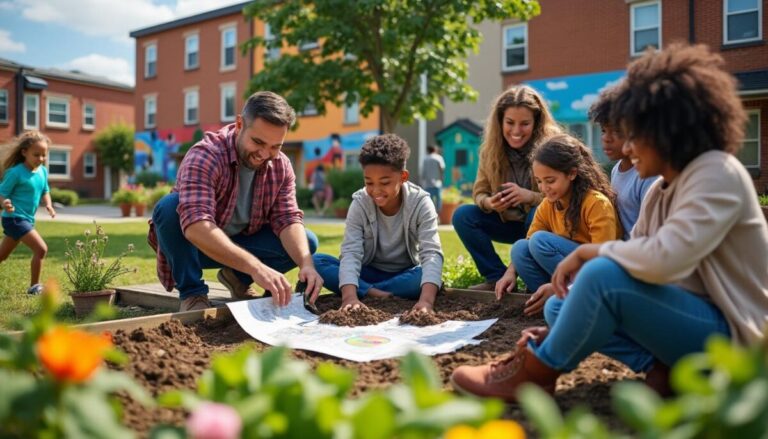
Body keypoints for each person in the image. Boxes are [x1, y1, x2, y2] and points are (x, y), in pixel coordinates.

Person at [450, 44, 768, 402]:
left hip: (736, 340)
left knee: (601, 274)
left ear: (666, 131)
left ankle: (536, 372)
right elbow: (638, 259)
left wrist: (588, 253)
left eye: (633, 136)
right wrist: (574, 292)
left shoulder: (716, 173)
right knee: (558, 306)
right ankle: (662, 369)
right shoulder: (662, 190)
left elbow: (665, 260)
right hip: (691, 324)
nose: (626, 149)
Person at [148, 91, 323, 312]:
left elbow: (287, 218)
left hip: (241, 242)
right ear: (240, 124)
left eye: (275, 146)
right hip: (192, 247)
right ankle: (193, 293)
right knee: (168, 207)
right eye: (258, 142)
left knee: (307, 242)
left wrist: (306, 265)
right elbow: (196, 225)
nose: (264, 154)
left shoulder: (281, 165)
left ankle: (237, 278)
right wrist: (256, 267)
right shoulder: (206, 155)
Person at [312, 134, 444, 314]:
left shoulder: (421, 203)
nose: (376, 190)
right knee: (316, 261)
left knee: (424, 276)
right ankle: (374, 292)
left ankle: (368, 291)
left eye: (385, 183)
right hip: (367, 272)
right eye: (369, 182)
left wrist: (426, 301)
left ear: (403, 176)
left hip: (404, 275)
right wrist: (349, 297)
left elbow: (431, 253)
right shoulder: (360, 203)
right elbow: (350, 252)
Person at [495, 134, 621, 316]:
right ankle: (548, 302)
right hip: (567, 274)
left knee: (539, 241)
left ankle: (571, 297)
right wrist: (510, 273)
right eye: (539, 181)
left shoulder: (596, 203)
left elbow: (602, 260)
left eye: (550, 181)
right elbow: (528, 240)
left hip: (597, 275)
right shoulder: (548, 205)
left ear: (572, 173)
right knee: (520, 248)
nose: (543, 188)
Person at [452, 85, 561, 291]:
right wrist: (489, 203)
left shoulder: (553, 147)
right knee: (463, 215)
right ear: (500, 121)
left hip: (544, 227)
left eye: (525, 124)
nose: (516, 131)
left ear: (537, 123)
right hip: (506, 223)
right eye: (510, 123)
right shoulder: (490, 151)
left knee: (539, 210)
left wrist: (529, 196)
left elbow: (563, 196)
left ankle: (533, 276)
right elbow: (479, 192)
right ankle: (496, 277)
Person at [589, 87, 657, 240]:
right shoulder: (616, 169)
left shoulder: (648, 176)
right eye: (603, 130)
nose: (606, 138)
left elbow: (651, 232)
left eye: (617, 132)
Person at [0, 130, 56, 295]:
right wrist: (5, 203)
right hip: (14, 218)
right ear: (24, 152)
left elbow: (45, 190)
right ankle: (34, 287)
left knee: (2, 256)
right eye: (36, 155)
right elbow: (2, 193)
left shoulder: (42, 171)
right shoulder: (15, 172)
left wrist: (49, 204)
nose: (40, 159)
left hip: (27, 220)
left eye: (44, 155)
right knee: (41, 249)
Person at [421, 145, 445, 212]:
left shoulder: (425, 159)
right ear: (435, 150)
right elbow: (442, 168)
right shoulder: (439, 158)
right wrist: (442, 178)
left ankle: (431, 214)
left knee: (429, 201)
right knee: (438, 201)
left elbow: (423, 172)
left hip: (428, 183)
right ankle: (438, 214)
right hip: (437, 183)